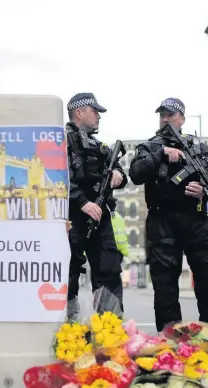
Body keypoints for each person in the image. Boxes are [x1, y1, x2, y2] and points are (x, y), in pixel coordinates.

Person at [129, 97, 208, 332]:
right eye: (162, 115)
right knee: (165, 290)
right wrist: (161, 153)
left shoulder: (200, 148)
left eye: (170, 115)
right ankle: (170, 345)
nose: (165, 119)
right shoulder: (149, 147)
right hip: (162, 222)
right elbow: (135, 173)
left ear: (182, 119)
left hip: (196, 220)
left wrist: (203, 191)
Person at [66, 92, 128, 313]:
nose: (99, 117)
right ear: (79, 113)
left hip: (100, 217)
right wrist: (82, 202)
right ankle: (66, 329)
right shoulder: (61, 141)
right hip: (72, 218)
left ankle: (109, 328)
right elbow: (54, 177)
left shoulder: (99, 146)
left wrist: (118, 176)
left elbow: (119, 170)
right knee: (68, 272)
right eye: (95, 112)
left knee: (108, 270)